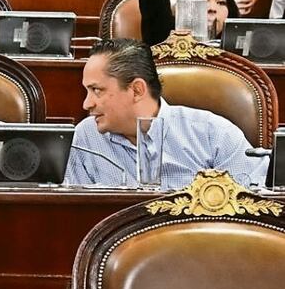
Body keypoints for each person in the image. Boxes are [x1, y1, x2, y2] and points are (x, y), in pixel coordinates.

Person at [63, 38, 266, 189]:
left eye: (97, 90)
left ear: (136, 90)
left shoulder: (213, 133)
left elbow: (255, 202)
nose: (86, 104)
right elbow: (75, 218)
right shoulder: (85, 137)